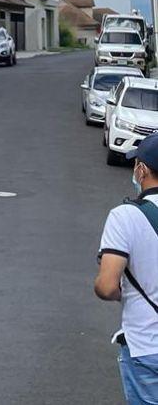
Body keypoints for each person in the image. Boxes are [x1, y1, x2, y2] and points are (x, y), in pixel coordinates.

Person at [96, 133, 158, 403]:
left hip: (147, 345)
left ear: (141, 169)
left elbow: (107, 286)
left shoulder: (126, 217)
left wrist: (122, 291)